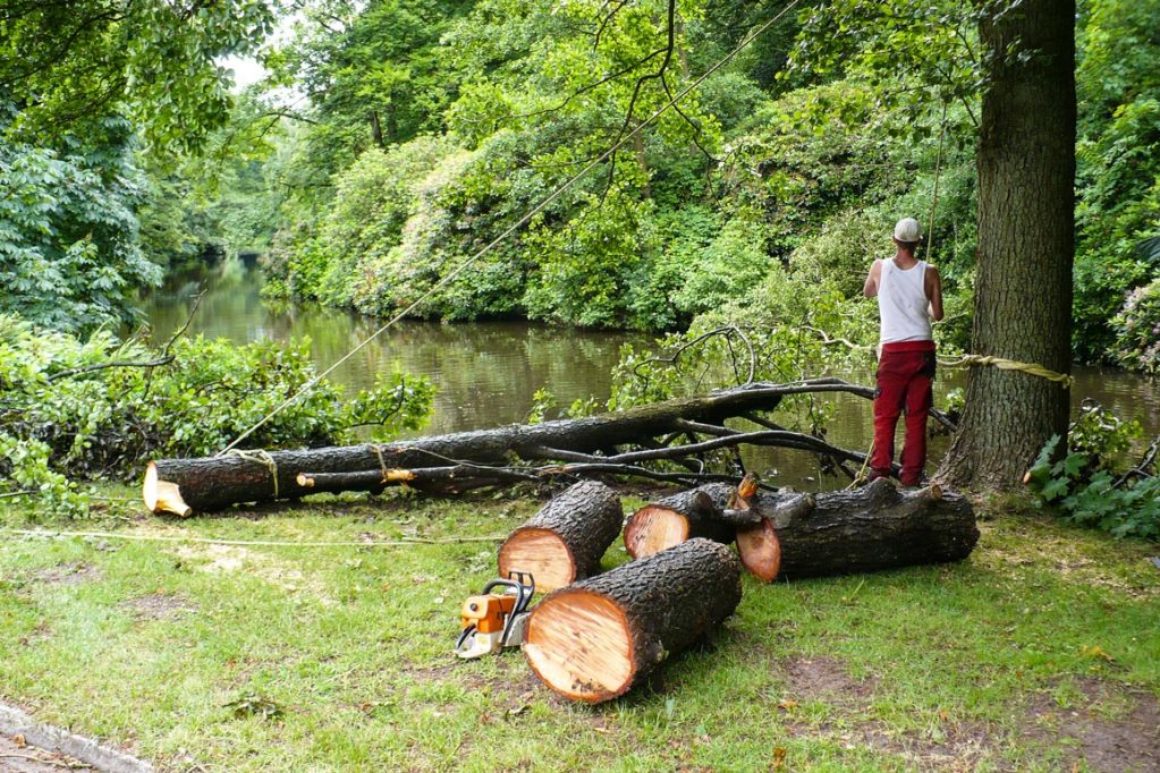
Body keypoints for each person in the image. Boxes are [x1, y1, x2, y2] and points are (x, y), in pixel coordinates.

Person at [862, 217, 943, 486]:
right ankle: (911, 475)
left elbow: (867, 293)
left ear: (894, 241)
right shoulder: (930, 271)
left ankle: (880, 472)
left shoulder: (879, 267)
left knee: (885, 415)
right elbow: (937, 314)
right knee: (916, 416)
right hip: (922, 349)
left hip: (894, 350)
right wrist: (924, 307)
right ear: (918, 242)